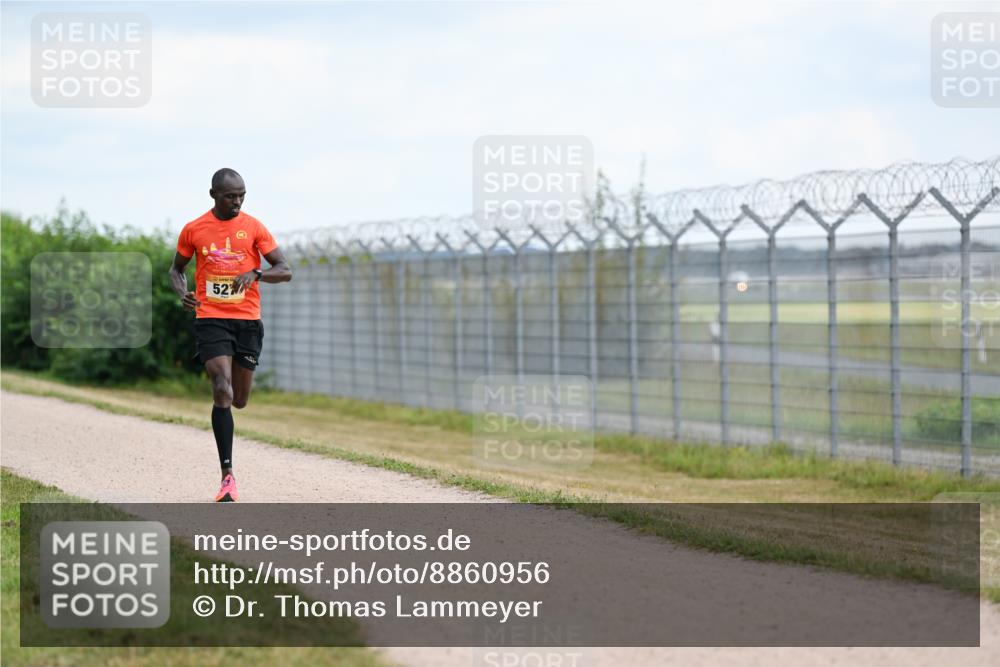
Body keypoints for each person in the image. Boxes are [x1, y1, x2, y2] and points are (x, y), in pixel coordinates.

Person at [169, 168, 292, 501]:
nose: (236, 201)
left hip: (247, 321)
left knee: (239, 398)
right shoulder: (194, 229)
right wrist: (184, 294)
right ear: (213, 195)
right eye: (229, 196)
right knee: (220, 387)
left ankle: (228, 463)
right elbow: (176, 269)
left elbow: (285, 270)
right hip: (210, 317)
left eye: (241, 195)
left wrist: (257, 274)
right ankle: (227, 478)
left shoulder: (253, 227)